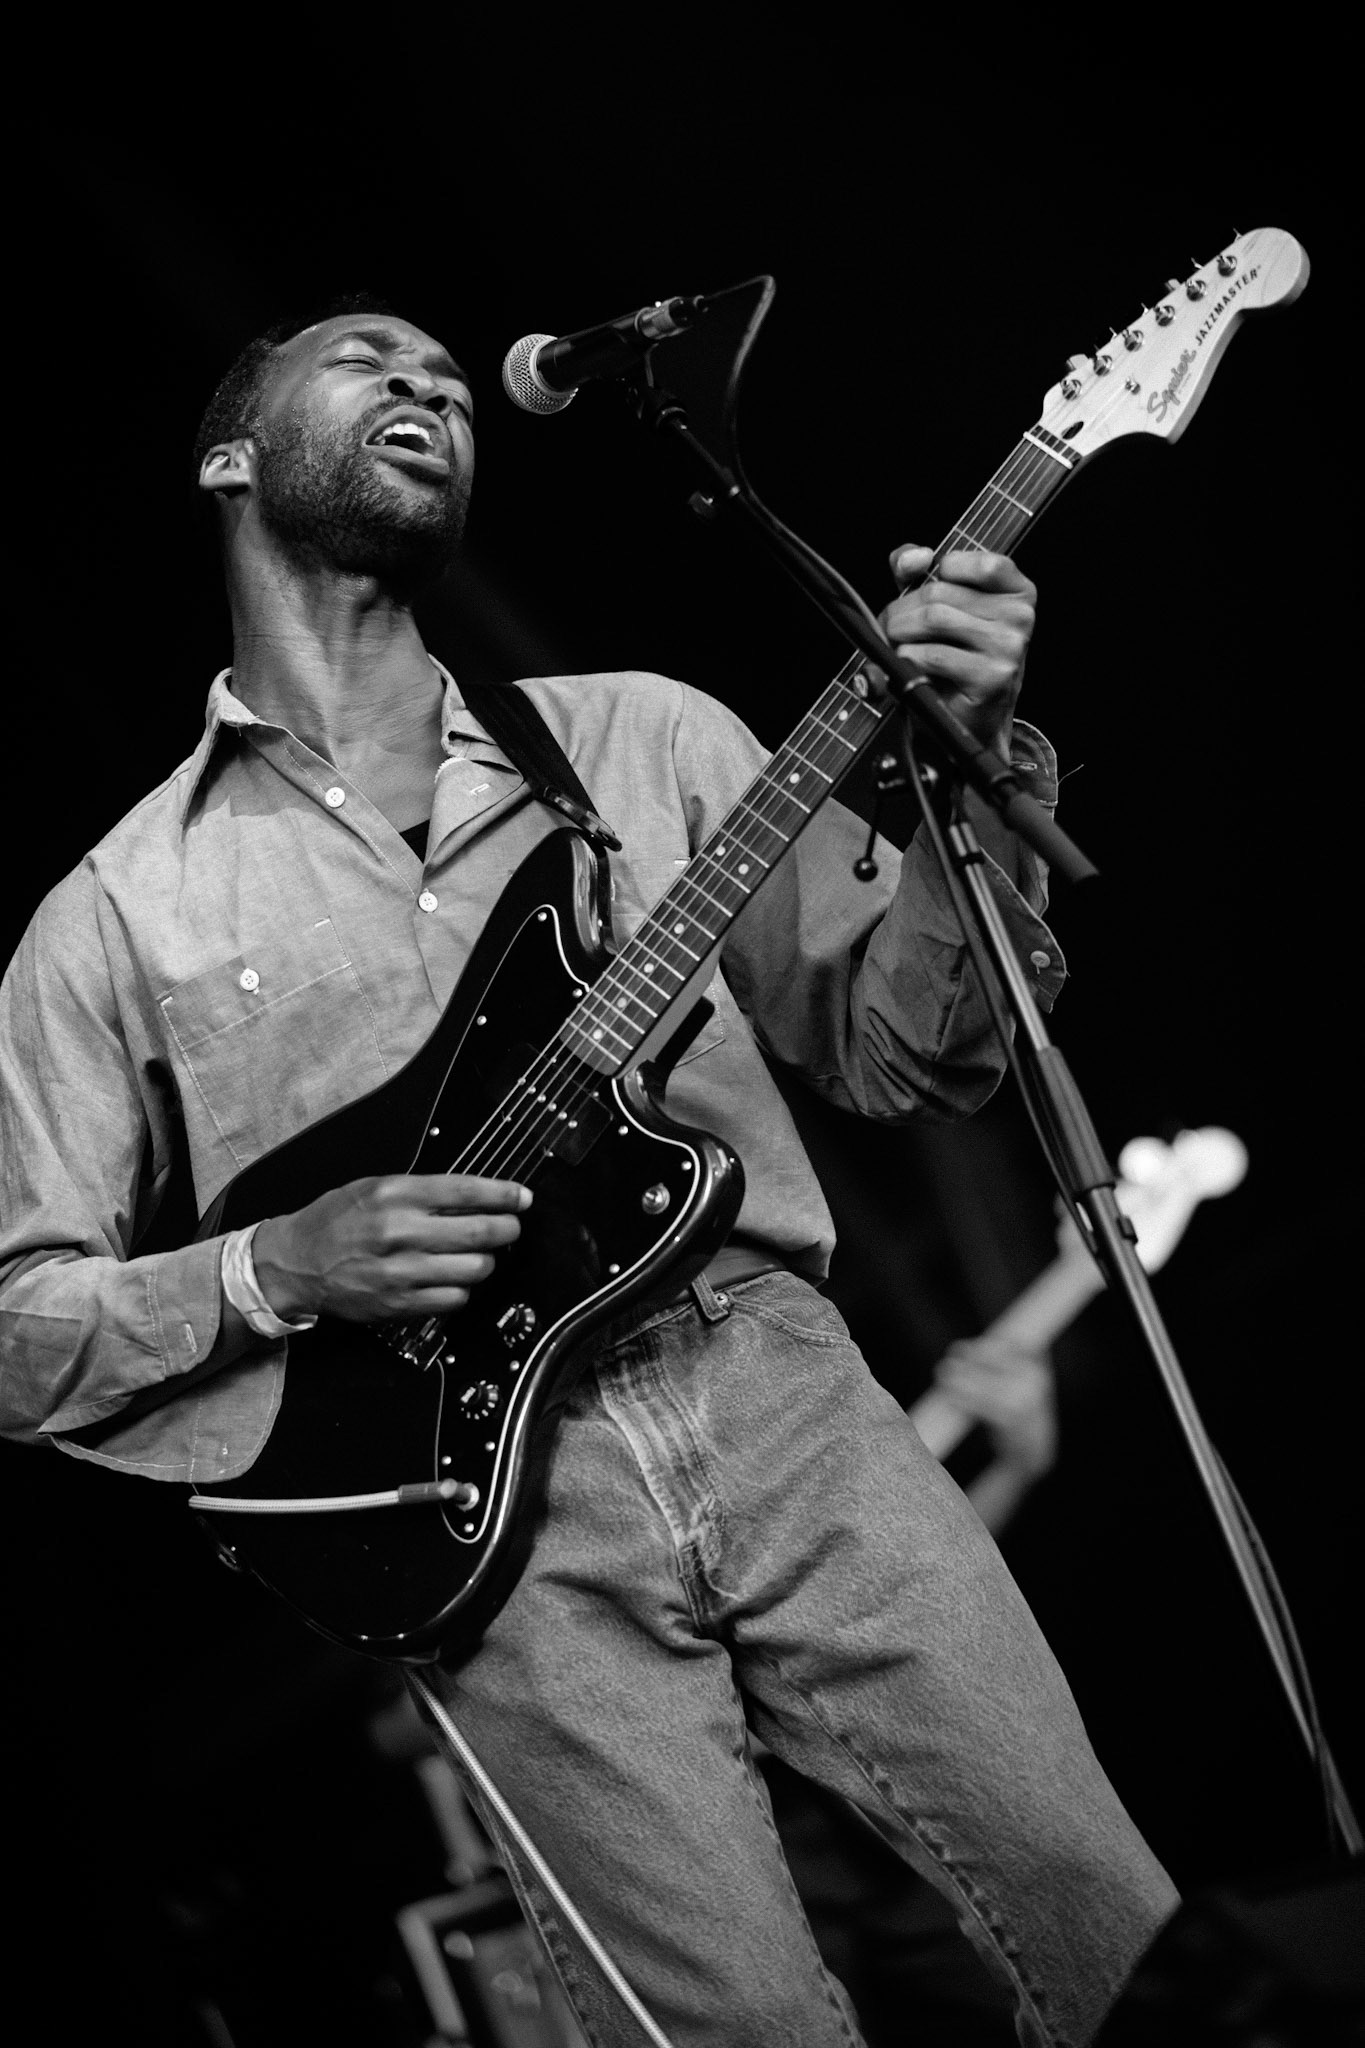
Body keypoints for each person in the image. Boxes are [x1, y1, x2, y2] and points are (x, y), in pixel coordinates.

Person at [0, 297, 1178, 2046]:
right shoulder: (116, 911)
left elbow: (910, 1053)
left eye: (445, 379)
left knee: (1104, 1916)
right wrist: (273, 1269)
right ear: (229, 456)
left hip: (780, 1396)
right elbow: (23, 1329)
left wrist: (979, 750)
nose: (426, 385)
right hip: (491, 1533)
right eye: (363, 357)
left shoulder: (640, 741)